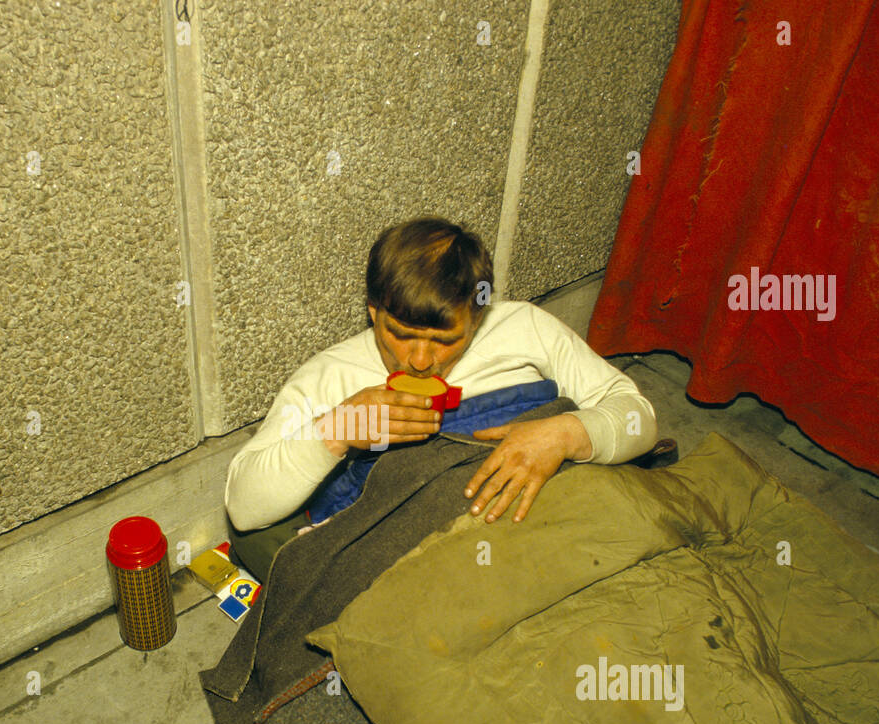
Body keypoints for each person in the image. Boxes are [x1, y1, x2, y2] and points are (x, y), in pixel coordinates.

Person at [223, 216, 658, 577]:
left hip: (543, 522)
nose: (418, 360)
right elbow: (244, 511)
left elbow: (640, 419)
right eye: (400, 334)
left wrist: (564, 433)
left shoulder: (524, 327)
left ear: (478, 317)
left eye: (444, 340)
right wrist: (335, 432)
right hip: (432, 561)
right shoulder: (330, 375)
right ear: (373, 311)